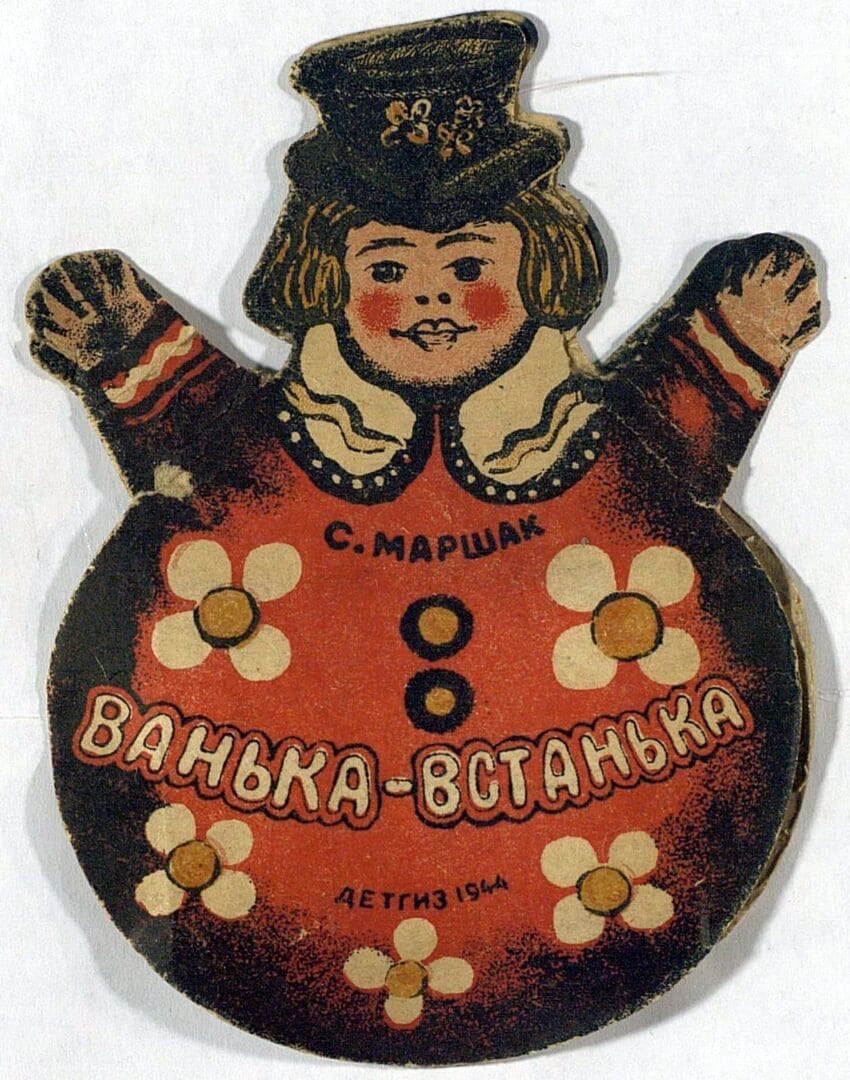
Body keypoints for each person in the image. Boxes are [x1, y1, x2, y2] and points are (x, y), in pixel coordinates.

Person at [24, 11, 821, 1065]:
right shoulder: (279, 443)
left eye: (468, 261)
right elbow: (203, 449)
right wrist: (126, 344)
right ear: (326, 278)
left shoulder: (585, 440)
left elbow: (669, 440)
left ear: (539, 267)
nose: (430, 297)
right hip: (261, 902)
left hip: (603, 900)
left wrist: (735, 333)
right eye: (387, 268)